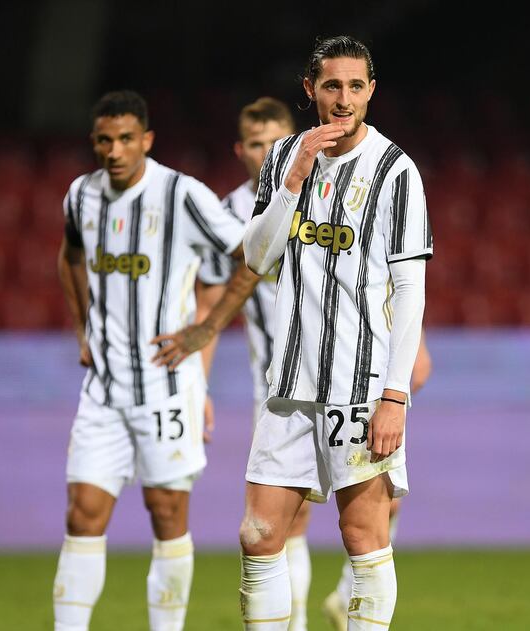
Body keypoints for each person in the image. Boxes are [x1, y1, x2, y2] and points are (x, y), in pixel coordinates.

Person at [237, 35, 432, 631]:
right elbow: (257, 258)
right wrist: (291, 182)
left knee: (361, 532)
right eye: (331, 85)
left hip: (361, 385)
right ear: (309, 90)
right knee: (259, 533)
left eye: (355, 86)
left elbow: (410, 292)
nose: (343, 98)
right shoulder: (284, 158)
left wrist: (394, 396)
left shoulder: (396, 172)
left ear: (371, 91)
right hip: (289, 380)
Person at [53, 89, 259, 631]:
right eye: (104, 140)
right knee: (82, 515)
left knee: (166, 515)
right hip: (103, 387)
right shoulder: (80, 196)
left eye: (126, 139)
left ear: (146, 140)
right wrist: (82, 326)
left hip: (166, 387)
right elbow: (71, 256)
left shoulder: (183, 195)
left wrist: (206, 328)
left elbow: (254, 255)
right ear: (94, 142)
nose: (114, 150)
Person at [195, 96, 316, 631]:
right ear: (240, 150)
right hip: (275, 386)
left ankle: (313, 615)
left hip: (342, 373)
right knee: (281, 521)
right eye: (256, 145)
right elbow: (209, 306)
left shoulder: (330, 192)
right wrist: (196, 389)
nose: (267, 153)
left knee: (362, 514)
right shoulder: (224, 216)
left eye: (276, 143)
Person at [322, 331, 432, 630]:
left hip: (367, 371)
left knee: (384, 505)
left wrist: (417, 343)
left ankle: (345, 597)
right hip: (303, 375)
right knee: (278, 520)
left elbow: (403, 284)